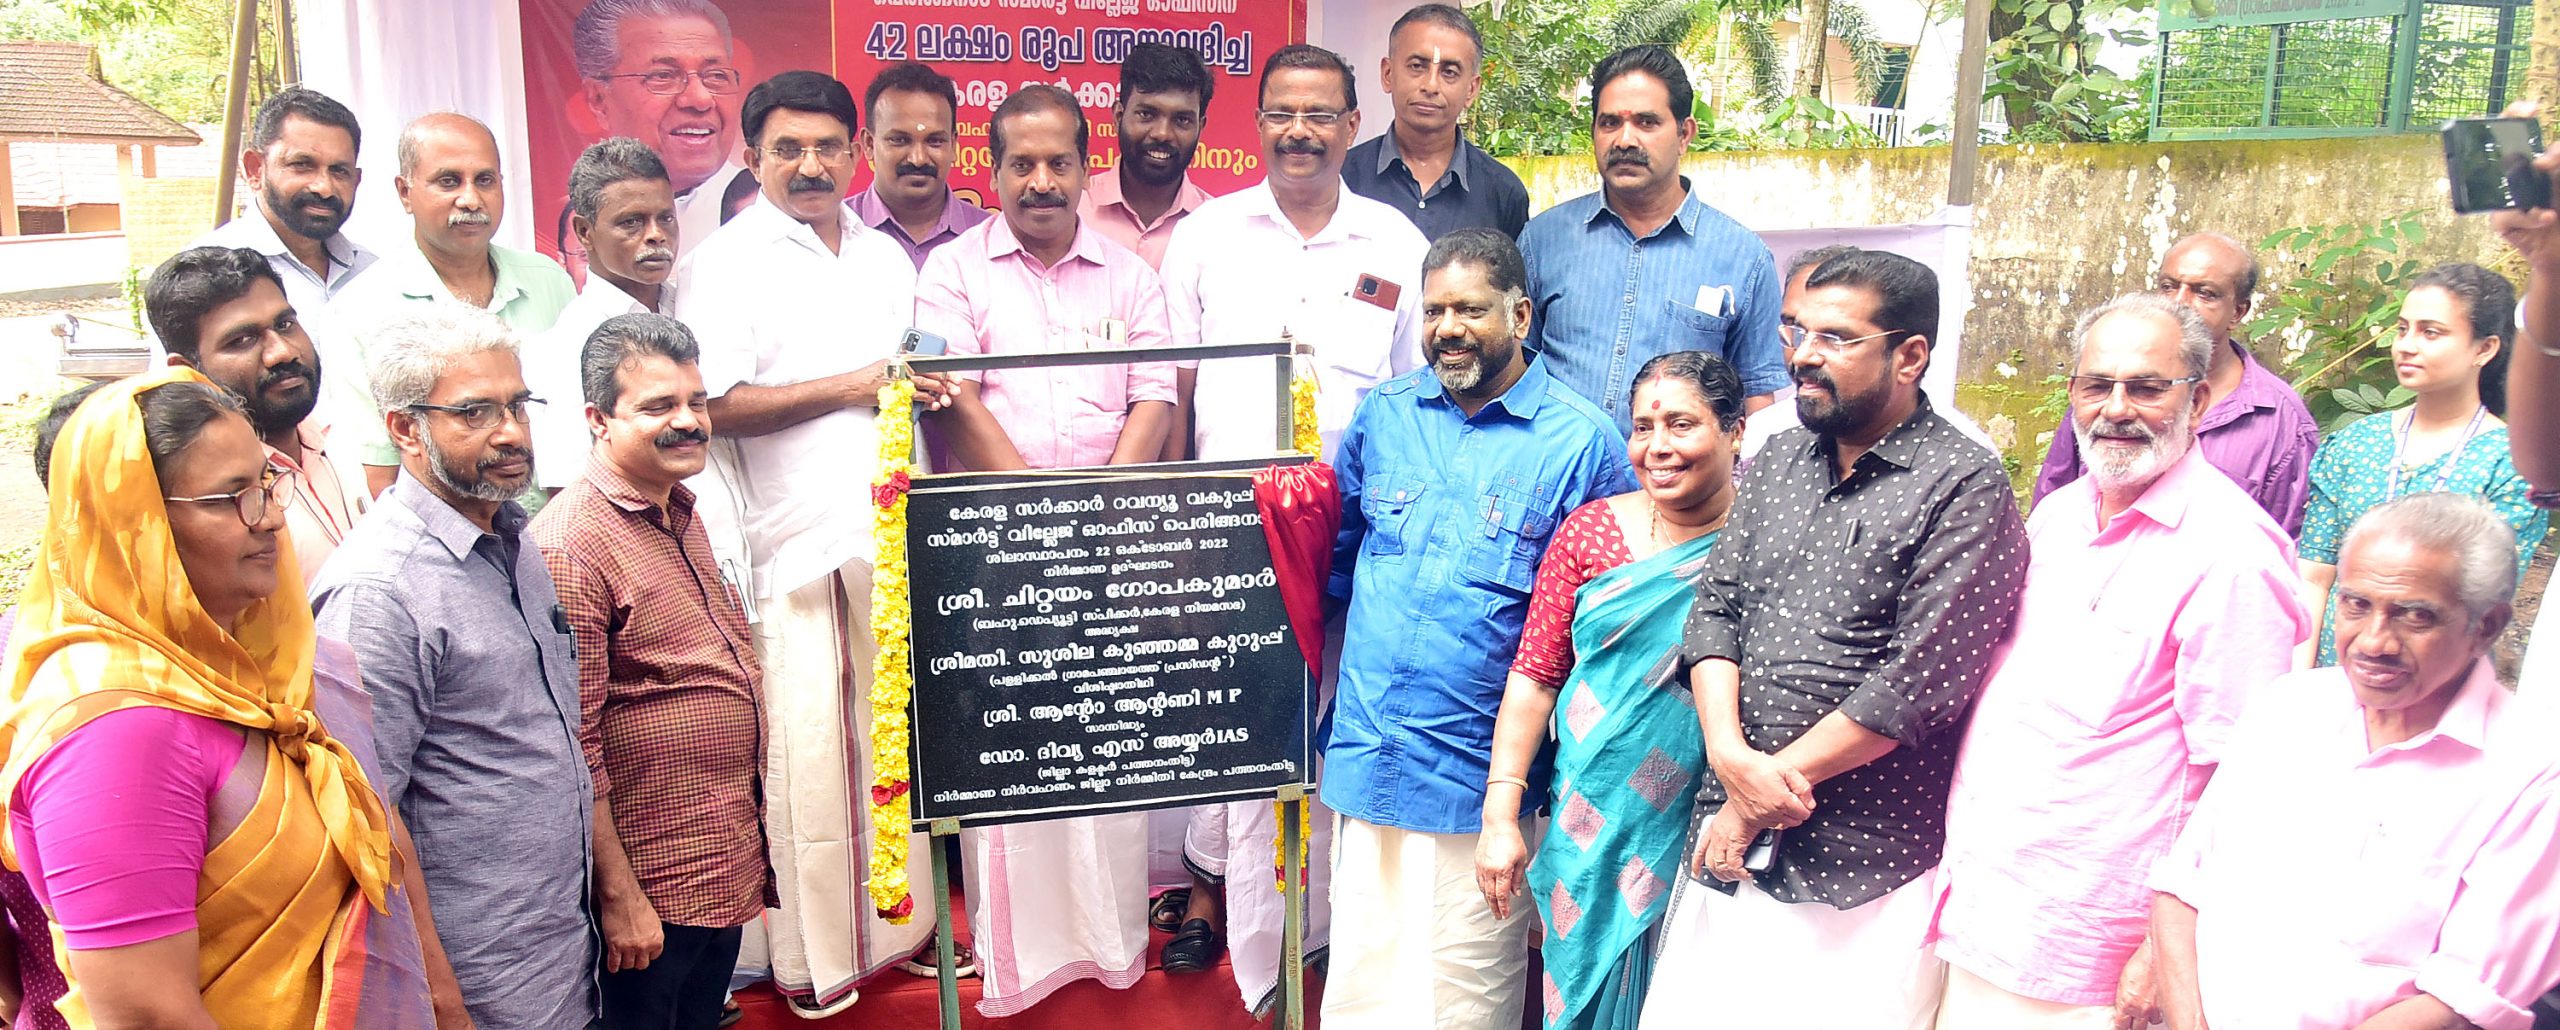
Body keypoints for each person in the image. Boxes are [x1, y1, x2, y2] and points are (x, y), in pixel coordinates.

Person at [1639, 250, 2029, 1030]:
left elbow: (1918, 684)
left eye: (1837, 338)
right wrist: (1731, 761)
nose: (1803, 356)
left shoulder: (1964, 484)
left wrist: (1756, 798)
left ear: (1909, 356)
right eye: (1795, 331)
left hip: (1863, 867)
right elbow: (1716, 611)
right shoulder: (1778, 457)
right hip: (1730, 838)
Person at [1, 369, 454, 1028]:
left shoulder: (261, 664)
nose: (271, 516)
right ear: (135, 525)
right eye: (230, 497)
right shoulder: (115, 730)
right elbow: (149, 1014)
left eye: (267, 484)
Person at [1930, 293, 2309, 1027]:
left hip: (2092, 948)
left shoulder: (2234, 553)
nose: (2116, 409)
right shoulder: (2060, 513)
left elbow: (2241, 781)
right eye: (2097, 385)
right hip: (1985, 904)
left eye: (2146, 387)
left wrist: (2162, 949)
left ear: (2199, 401)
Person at [1153, 45, 1429, 1013]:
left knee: (1329, 725)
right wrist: (1178, 525)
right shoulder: (1208, 236)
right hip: (1226, 528)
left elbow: (1412, 395)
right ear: (1257, 122)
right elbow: (1175, 388)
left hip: (1350, 533)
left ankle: (1321, 931)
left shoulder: (1394, 242)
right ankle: (1235, 919)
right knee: (1234, 723)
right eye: (1281, 113)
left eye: (1319, 114)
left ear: (1353, 124)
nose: (1299, 132)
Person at [668, 69, 941, 1013]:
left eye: (828, 146)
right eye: (787, 149)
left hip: (894, 536)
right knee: (813, 766)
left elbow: (898, 378)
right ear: (752, 157)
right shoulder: (724, 263)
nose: (811, 165)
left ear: (856, 152)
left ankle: (900, 933)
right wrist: (853, 385)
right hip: (796, 547)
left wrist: (919, 389)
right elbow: (710, 406)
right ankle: (815, 963)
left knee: (895, 749)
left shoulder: (883, 256)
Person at [908, 84, 1179, 1014]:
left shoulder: (1131, 277)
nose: (1040, 181)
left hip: (1111, 549)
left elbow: (1155, 397)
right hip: (997, 557)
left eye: (1058, 162)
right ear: (990, 171)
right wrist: (1040, 518)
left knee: (1105, 742)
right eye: (1020, 163)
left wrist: (1096, 521)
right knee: (1015, 755)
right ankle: (1017, 960)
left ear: (1084, 167)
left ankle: (1110, 943)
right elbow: (951, 395)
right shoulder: (951, 273)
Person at [1322, 227, 1635, 1029]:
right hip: (1368, 753)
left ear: (1520, 316)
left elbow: (1610, 626)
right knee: (1359, 989)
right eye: (1434, 311)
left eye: (1470, 309)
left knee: (1462, 1002)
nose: (1448, 329)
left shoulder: (1582, 442)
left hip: (1481, 783)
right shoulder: (1385, 415)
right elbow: (1336, 561)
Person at [2150, 492, 2560, 1028]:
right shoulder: (2287, 707)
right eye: (2356, 604)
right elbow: (2182, 885)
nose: (2374, 641)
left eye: (2415, 616)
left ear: (2486, 626)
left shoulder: (2532, 773)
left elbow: (2462, 997)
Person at [310, 304, 596, 1029]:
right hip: (475, 978)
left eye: (517, 406)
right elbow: (367, 815)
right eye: (474, 412)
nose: (511, 432)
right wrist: (437, 991)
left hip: (563, 946)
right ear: (405, 429)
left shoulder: (512, 536)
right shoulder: (379, 591)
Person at [1474, 351, 1745, 1030]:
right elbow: (1535, 677)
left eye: (1681, 424)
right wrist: (1500, 817)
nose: (1658, 446)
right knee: (1584, 989)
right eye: (1643, 427)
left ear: (1735, 431)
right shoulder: (1590, 531)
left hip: (1710, 813)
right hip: (1589, 817)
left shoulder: (1763, 538)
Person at [532, 313, 770, 1030]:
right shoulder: (573, 545)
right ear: (598, 420)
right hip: (648, 893)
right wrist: (619, 896)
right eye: (659, 406)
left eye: (696, 401)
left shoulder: (680, 509)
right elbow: (574, 742)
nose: (689, 421)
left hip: (716, 862)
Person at [1519, 45, 1786, 434]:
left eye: (1646, 122)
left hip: (1678, 472)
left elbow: (1757, 400)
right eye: (1610, 123)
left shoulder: (1743, 258)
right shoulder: (1542, 240)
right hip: (1557, 468)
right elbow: (1514, 371)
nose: (1625, 140)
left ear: (1684, 134)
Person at [2297, 263, 2545, 667]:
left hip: (2435, 679)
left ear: (2484, 349)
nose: (2406, 346)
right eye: (2402, 329)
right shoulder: (2355, 444)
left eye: (2430, 332)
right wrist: (2300, 683)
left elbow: (2485, 601)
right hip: (2334, 676)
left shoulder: (2509, 463)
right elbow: (2314, 577)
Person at [331, 112, 578, 496]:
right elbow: (379, 475)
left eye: (485, 180)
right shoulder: (360, 311)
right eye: (449, 181)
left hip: (562, 521)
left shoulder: (548, 282)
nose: (471, 199)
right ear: (405, 192)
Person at [2034, 232, 2320, 534]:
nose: (2180, 302)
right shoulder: (2109, 393)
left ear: (2238, 311)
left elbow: (2290, 541)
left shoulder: (2281, 421)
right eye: (2168, 287)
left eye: (2204, 293)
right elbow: (2054, 498)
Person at [147, 246, 368, 581]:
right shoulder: (207, 502)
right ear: (187, 371)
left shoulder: (350, 440)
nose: (282, 352)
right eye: (242, 340)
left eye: (285, 324)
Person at [155, 88, 376, 360]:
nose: (324, 187)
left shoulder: (374, 272)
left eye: (339, 171)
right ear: (255, 169)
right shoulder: (200, 276)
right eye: (302, 164)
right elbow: (179, 385)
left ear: (357, 179)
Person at [533, 137, 683, 491]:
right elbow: (568, 488)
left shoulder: (696, 306)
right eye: (632, 222)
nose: (656, 235)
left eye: (665, 218)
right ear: (584, 232)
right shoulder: (569, 344)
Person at [573, 0, 751, 255]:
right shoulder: (575, 223)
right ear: (598, 100)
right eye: (663, 76)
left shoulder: (769, 214)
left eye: (716, 75)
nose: (700, 99)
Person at [1341, 4, 1529, 242]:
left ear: (1472, 89)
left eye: (1449, 72)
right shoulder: (1341, 177)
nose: (1430, 86)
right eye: (1417, 66)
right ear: (1388, 74)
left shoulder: (1503, 193)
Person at [1081, 42, 1217, 269]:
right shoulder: (1074, 210)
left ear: (1200, 128)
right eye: (1146, 114)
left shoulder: (1219, 227)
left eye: (1182, 120)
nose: (1162, 134)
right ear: (1118, 116)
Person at [849, 61, 989, 270]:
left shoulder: (990, 238)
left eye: (934, 141)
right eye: (899, 140)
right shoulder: (834, 231)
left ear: (953, 145)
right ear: (869, 144)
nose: (918, 159)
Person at [1736, 243, 1855, 462]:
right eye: (1795, 328)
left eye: (1831, 335)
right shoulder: (1760, 438)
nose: (1800, 355)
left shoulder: (1923, 461)